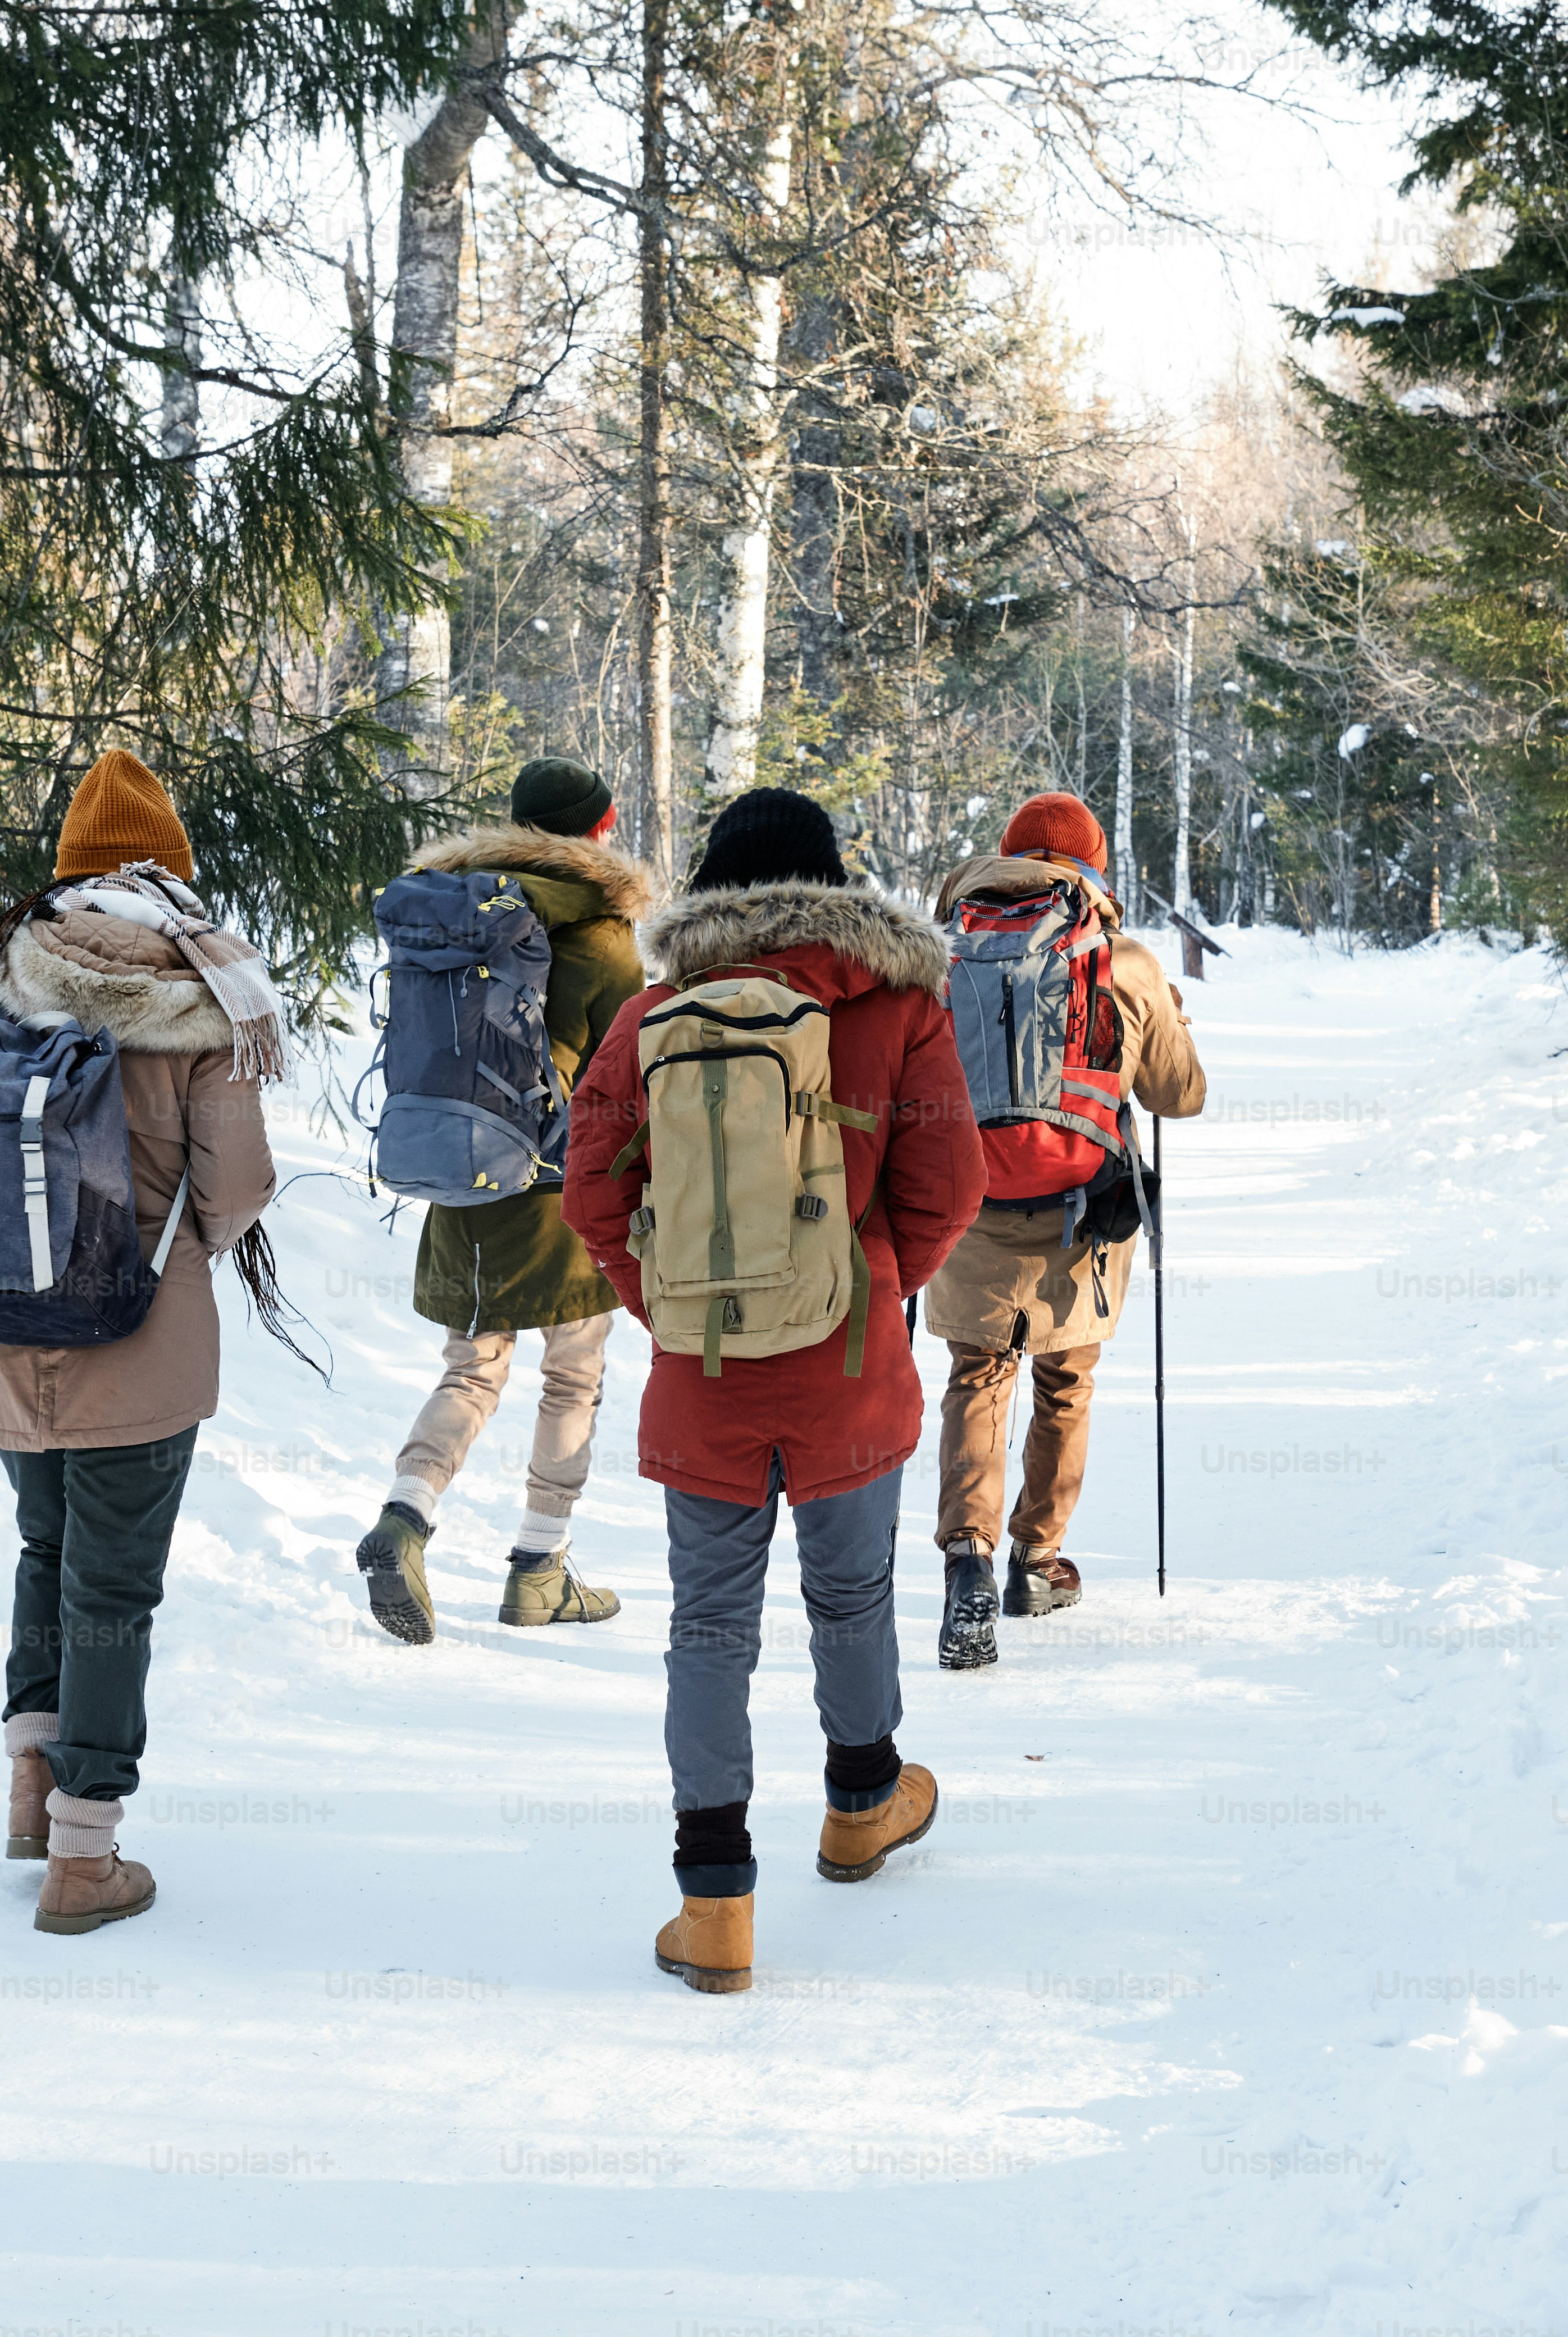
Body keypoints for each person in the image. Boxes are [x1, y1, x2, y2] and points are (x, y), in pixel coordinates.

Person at [562, 786, 985, 1993]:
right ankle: (862, 1804)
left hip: (705, 1377)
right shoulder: (898, 1001)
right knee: (852, 1593)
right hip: (850, 1367)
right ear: (830, 879)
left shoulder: (652, 1011)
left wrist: (675, 1309)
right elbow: (950, 1184)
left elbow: (591, 1190)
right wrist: (874, 1278)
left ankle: (715, 1909)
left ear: (715, 890)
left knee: (709, 1627)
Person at [0, 749, 280, 1935]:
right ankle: (85, 1857)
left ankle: (31, 1777)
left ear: (69, 868)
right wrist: (170, 1244)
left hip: (2, 1327)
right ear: (167, 869)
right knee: (112, 1586)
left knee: (43, 1542)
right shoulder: (201, 997)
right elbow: (239, 1189)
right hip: (140, 1340)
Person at [352, 758, 654, 1643]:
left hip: (462, 1174)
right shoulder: (602, 938)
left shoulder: (455, 911)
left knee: (472, 1371)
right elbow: (628, 1074)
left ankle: (404, 1517)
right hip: (561, 1195)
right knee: (574, 1378)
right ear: (594, 832)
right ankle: (539, 1567)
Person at [926, 790, 1205, 1668]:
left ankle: (966, 1563)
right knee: (1064, 1381)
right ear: (1091, 867)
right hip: (1081, 1214)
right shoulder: (1120, 959)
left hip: (966, 1203)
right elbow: (1179, 1096)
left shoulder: (939, 953)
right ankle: (1037, 1562)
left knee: (979, 1374)